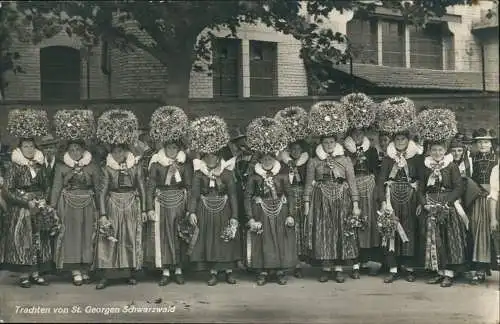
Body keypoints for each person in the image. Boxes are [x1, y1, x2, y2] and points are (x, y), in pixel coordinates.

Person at [304, 101, 361, 283]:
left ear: (336, 142)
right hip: (321, 198)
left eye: (331, 141)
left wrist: (356, 204)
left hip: (341, 197)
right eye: (325, 142)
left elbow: (352, 182)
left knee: (340, 230)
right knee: (323, 230)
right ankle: (326, 267)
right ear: (321, 143)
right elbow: (308, 183)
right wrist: (306, 203)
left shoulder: (345, 160)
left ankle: (338, 268)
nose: (329, 144)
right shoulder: (314, 161)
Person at [95, 109, 147, 290]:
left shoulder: (135, 165)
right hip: (112, 204)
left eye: (121, 151)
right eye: (115, 151)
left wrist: (145, 209)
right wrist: (102, 214)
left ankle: (129, 272)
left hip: (132, 203)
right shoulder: (107, 168)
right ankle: (107, 274)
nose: (118, 154)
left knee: (129, 236)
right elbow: (102, 192)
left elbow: (141, 187)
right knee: (110, 236)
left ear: (127, 151)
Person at [2, 108, 54, 288]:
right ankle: (24, 275)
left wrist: (43, 200)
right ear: (20, 148)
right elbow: (6, 190)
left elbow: (47, 185)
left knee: (40, 239)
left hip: (37, 206)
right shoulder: (14, 167)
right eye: (25, 146)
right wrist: (25, 201)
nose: (29, 149)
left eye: (32, 146)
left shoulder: (40, 166)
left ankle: (37, 273)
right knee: (25, 240)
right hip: (21, 209)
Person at [415, 109, 466, 288]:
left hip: (446, 205)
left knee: (448, 238)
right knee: (433, 238)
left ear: (445, 150)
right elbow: (420, 188)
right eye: (434, 150)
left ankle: (449, 273)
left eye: (440, 149)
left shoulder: (450, 166)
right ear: (429, 151)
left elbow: (459, 187)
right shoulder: (425, 167)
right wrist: (425, 204)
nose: (437, 153)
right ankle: (438, 271)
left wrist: (446, 203)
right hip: (430, 204)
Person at [188, 116, 241, 286]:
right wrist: (192, 212)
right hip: (205, 210)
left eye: (214, 157)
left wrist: (234, 216)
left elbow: (233, 195)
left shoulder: (227, 173)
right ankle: (212, 273)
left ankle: (228, 272)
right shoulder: (199, 173)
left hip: (224, 209)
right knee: (210, 240)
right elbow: (194, 194)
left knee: (225, 239)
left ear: (219, 157)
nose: (211, 160)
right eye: (207, 157)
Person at [375, 97, 422, 284]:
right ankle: (393, 268)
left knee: (409, 231)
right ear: (393, 140)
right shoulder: (388, 158)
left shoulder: (415, 158)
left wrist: (418, 197)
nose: (400, 141)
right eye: (397, 138)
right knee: (390, 231)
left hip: (410, 199)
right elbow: (381, 180)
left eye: (403, 138)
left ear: (408, 139)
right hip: (391, 197)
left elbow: (420, 179)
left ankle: (409, 268)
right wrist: (383, 201)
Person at [50, 110, 100, 285]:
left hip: (88, 203)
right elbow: (56, 187)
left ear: (83, 150)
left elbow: (98, 187)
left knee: (87, 235)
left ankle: (85, 267)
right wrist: (52, 207)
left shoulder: (92, 166)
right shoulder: (62, 167)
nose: (75, 152)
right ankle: (75, 270)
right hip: (68, 204)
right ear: (67, 151)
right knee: (72, 236)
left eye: (78, 149)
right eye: (72, 149)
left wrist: (101, 210)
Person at [244, 117, 296, 285]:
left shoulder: (282, 174)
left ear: (275, 159)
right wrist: (250, 217)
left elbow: (291, 194)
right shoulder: (254, 176)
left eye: (270, 158)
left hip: (280, 211)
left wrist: (291, 214)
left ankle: (280, 271)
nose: (267, 161)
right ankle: (263, 271)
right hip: (261, 211)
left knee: (280, 239)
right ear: (260, 160)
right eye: (264, 159)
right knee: (262, 241)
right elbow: (247, 196)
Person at [144, 106, 191, 286]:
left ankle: (178, 269)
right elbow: (150, 186)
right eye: (169, 147)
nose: (171, 150)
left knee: (179, 234)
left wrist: (189, 209)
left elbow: (188, 185)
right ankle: (165, 270)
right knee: (163, 235)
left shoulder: (183, 164)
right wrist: (149, 207)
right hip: (161, 202)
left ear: (178, 148)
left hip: (179, 201)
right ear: (164, 147)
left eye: (174, 147)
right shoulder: (156, 163)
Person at [341, 93, 381, 277]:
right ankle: (354, 263)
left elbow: (374, 169)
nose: (358, 135)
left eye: (360, 132)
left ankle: (365, 261)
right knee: (353, 221)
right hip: (352, 187)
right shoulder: (343, 150)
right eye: (354, 132)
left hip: (369, 186)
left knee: (368, 222)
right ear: (350, 133)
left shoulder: (371, 149)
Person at [275, 106, 310, 278]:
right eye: (292, 149)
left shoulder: (305, 162)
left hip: (302, 194)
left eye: (298, 149)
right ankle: (289, 260)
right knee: (289, 227)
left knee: (302, 227)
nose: (295, 152)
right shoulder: (283, 163)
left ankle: (300, 263)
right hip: (288, 197)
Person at [468, 128, 498, 284]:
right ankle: (480, 266)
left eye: (486, 141)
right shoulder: (472, 160)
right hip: (477, 199)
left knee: (489, 233)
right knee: (477, 231)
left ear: (491, 144)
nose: (483, 145)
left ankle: (483, 268)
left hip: (494, 200)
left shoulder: (497, 160)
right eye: (479, 142)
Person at [228, 127, 257, 271]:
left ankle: (252, 259)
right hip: (239, 193)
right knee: (239, 224)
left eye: (243, 142)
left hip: (251, 194)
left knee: (251, 222)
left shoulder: (255, 157)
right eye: (238, 143)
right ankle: (240, 258)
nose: (241, 145)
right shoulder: (236, 159)